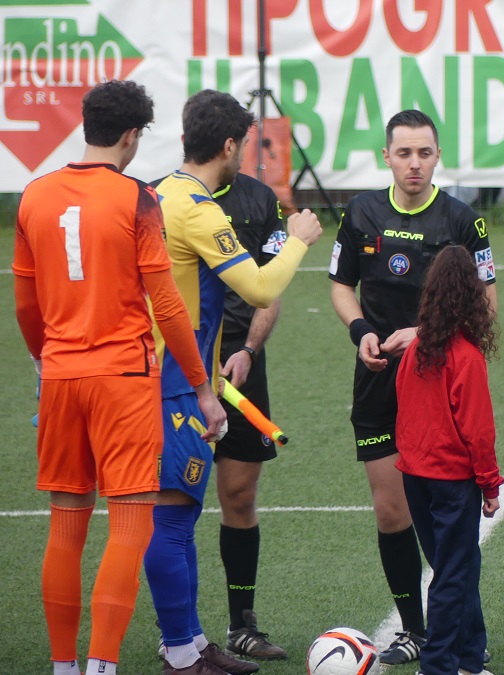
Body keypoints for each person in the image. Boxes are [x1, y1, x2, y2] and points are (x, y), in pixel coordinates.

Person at [13, 80, 226, 675]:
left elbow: (26, 305)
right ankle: (102, 665)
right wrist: (202, 388)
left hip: (61, 375)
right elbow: (169, 306)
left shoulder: (33, 195)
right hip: (124, 379)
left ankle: (63, 666)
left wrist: (43, 361)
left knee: (65, 527)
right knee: (131, 524)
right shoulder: (138, 199)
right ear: (132, 135)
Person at [143, 89, 322, 675]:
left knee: (180, 514)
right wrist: (299, 238)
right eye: (243, 142)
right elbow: (261, 287)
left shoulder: (158, 195)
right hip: (175, 381)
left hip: (178, 373)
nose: (246, 152)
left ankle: (193, 642)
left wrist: (240, 353)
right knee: (169, 519)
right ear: (228, 145)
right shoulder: (198, 208)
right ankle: (176, 651)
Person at [329, 109, 498, 666]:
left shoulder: (464, 221)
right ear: (387, 156)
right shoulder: (361, 213)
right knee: (391, 513)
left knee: (446, 528)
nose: (415, 163)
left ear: (437, 156)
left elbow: (485, 304)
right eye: (404, 153)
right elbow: (341, 286)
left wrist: (425, 335)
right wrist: (361, 332)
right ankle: (414, 630)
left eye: (424, 153)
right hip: (378, 379)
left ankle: (460, 638)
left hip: (436, 384)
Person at [395, 245, 504, 675]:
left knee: (457, 567)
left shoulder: (415, 351)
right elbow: (478, 431)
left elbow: (404, 410)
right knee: (453, 575)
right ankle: (438, 665)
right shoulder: (467, 357)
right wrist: (490, 485)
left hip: (415, 477)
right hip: (452, 483)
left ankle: (469, 659)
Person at [213, 172, 290, 660]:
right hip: (180, 371)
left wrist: (248, 349)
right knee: (173, 502)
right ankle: (175, 631)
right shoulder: (161, 195)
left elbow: (272, 284)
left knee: (239, 495)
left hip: (241, 369)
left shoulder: (260, 199)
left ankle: (241, 625)